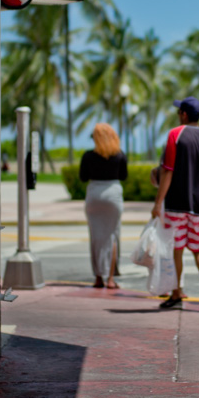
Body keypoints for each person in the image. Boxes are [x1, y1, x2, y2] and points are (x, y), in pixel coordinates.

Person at [152, 96, 199, 311]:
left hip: (176, 203)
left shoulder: (176, 135)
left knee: (177, 249)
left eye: (179, 112)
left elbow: (167, 172)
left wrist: (158, 203)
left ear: (184, 114)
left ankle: (176, 293)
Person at [79, 123, 128, 289]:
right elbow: (124, 175)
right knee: (113, 236)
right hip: (113, 194)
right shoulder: (120, 155)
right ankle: (111, 279)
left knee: (96, 237)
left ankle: (98, 277)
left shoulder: (88, 156)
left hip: (94, 194)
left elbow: (83, 177)